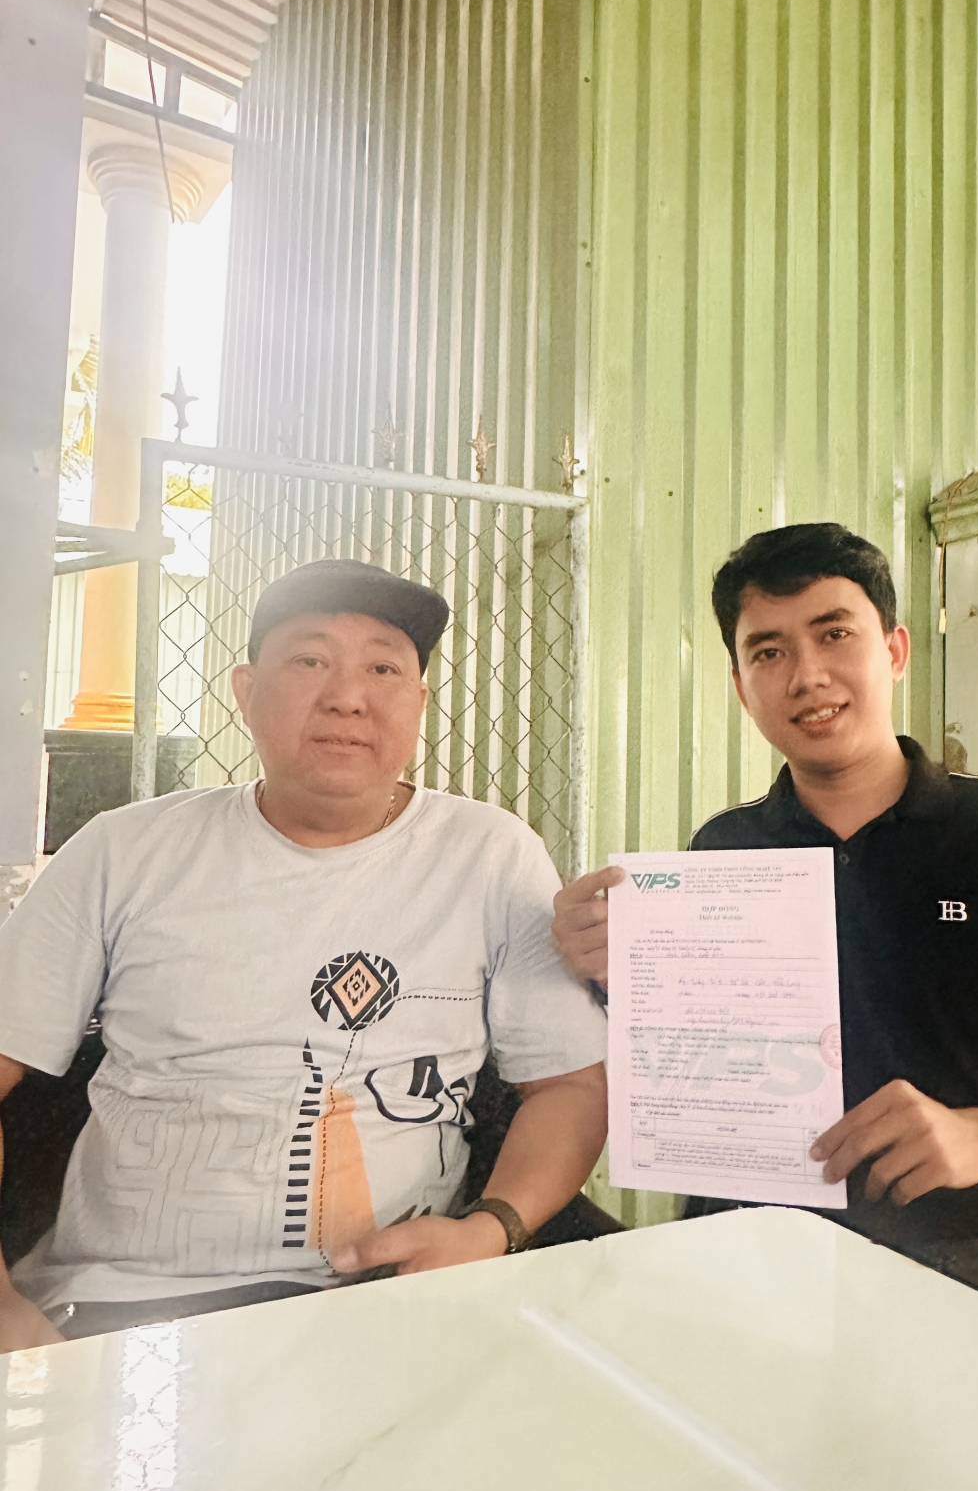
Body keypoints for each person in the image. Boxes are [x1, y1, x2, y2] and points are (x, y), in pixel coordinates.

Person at [552, 522, 978, 1365]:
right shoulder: (722, 854)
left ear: (894, 651)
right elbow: (700, 1066)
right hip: (757, 1295)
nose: (807, 675)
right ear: (742, 686)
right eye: (769, 651)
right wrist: (610, 975)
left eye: (834, 634)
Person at [0, 558, 608, 1349]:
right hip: (123, 1305)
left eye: (384, 669)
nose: (348, 696)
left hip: (384, 1302)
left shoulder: (490, 854)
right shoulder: (124, 850)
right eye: (311, 660)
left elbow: (568, 1085)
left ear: (420, 703)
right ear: (246, 690)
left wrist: (490, 1229)